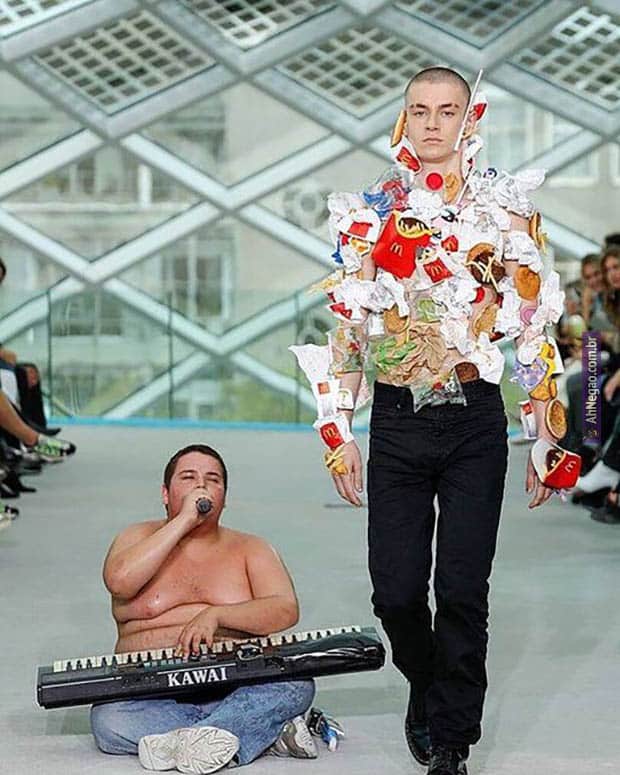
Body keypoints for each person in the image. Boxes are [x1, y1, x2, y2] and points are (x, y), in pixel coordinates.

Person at [291, 67, 575, 775]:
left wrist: (547, 437)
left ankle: (451, 741)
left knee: (462, 589)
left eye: (447, 110)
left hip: (475, 419)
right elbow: (349, 331)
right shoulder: (372, 212)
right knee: (394, 592)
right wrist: (339, 435)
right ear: (404, 117)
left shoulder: (505, 210)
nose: (432, 123)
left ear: (468, 119)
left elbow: (533, 328)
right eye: (419, 110)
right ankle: (427, 680)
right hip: (397, 419)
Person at [90, 443, 316, 774]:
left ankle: (193, 738)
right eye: (188, 477)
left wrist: (217, 615)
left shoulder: (252, 548)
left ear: (224, 496)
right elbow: (119, 581)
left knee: (297, 685)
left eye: (213, 480)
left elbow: (285, 609)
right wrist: (184, 520)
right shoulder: (135, 536)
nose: (201, 486)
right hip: (151, 691)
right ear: (165, 493)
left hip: (235, 687)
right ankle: (250, 732)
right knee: (108, 720)